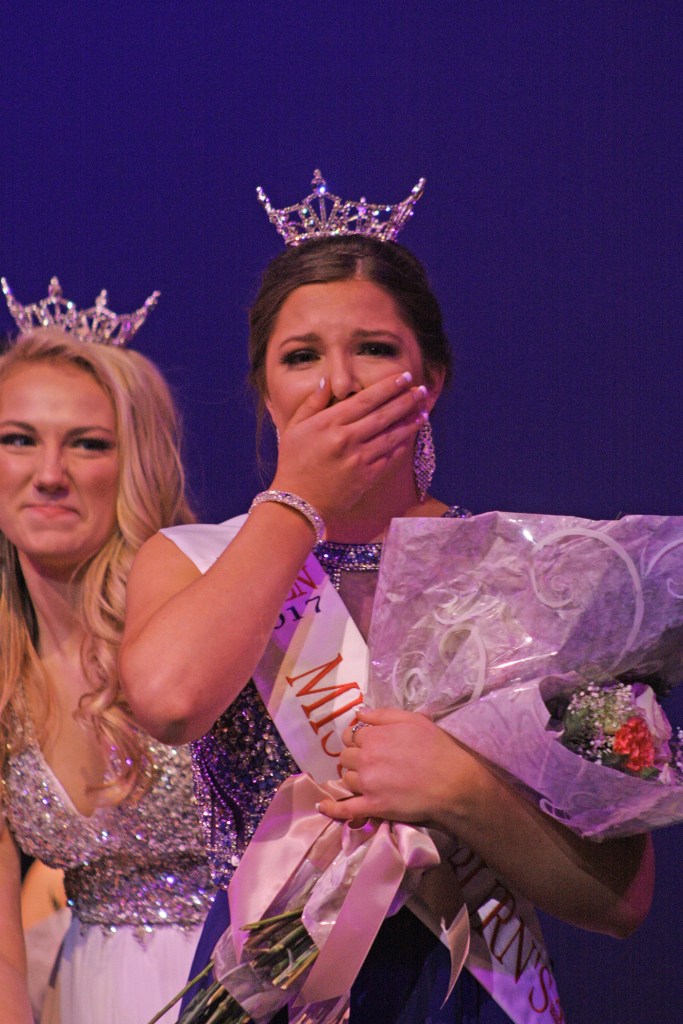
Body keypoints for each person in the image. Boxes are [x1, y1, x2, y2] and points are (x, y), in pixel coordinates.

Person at [120, 174, 654, 1023]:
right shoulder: (193, 561)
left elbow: (618, 903)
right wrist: (296, 503)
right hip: (272, 983)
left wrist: (461, 793)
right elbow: (169, 701)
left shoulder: (529, 575)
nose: (336, 384)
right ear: (266, 392)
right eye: (300, 357)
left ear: (430, 377)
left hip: (469, 988)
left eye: (372, 348)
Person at [0, 281, 215, 1024]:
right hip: (93, 995)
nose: (49, 474)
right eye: (18, 439)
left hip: (255, 977)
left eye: (87, 443)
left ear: (137, 461)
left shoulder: (209, 612)